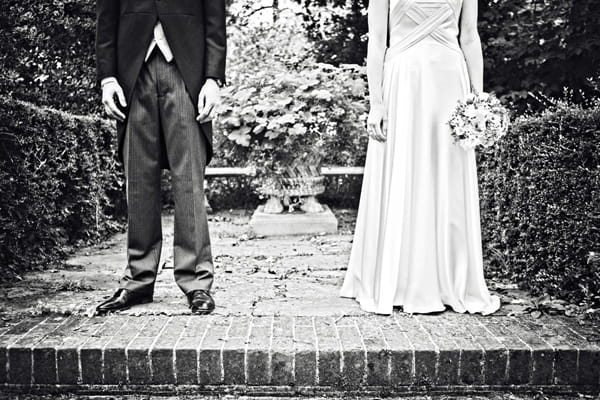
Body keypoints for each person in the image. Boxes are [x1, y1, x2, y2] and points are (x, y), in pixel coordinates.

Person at [341, 0, 500, 315]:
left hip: (450, 85)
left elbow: (469, 36)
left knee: (447, 178)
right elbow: (377, 40)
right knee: (403, 173)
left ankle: (447, 280)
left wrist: (478, 100)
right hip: (404, 84)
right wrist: (377, 101)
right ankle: (397, 278)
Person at [95, 0, 226, 314]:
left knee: (189, 183)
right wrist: (107, 77)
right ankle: (138, 281)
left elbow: (215, 19)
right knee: (138, 182)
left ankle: (196, 283)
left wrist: (212, 78)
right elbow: (106, 18)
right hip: (131, 76)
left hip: (187, 75)